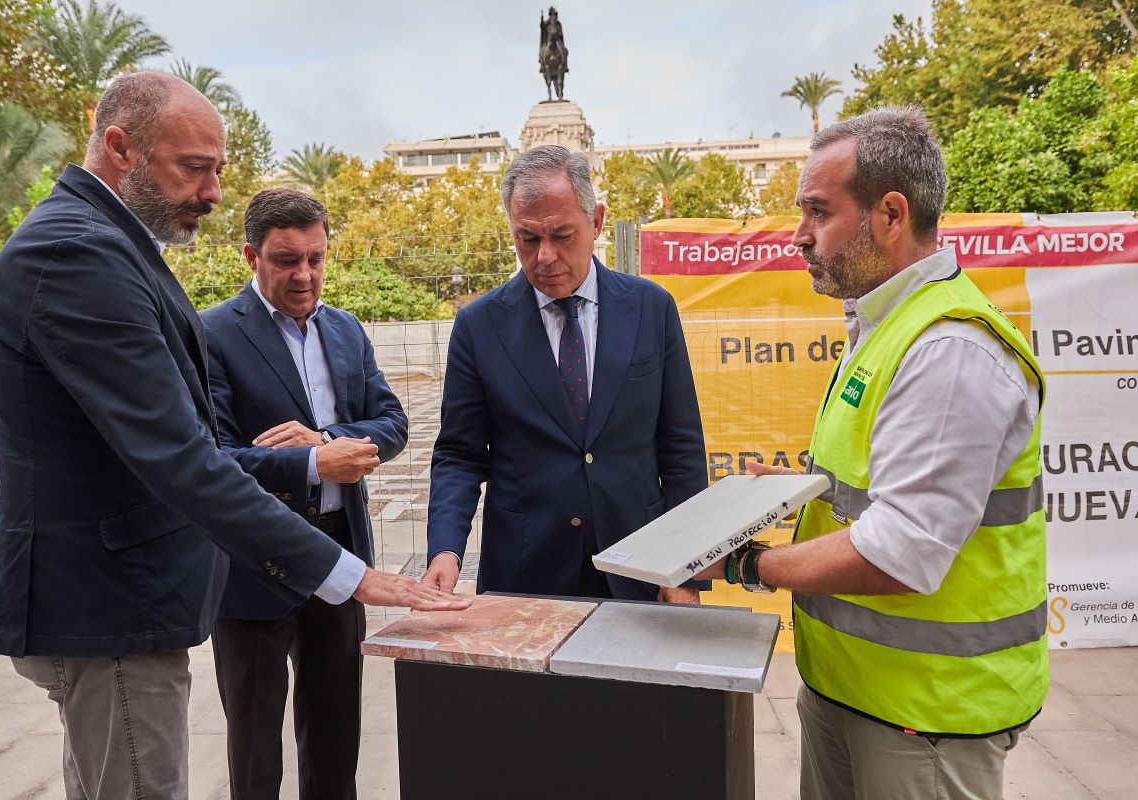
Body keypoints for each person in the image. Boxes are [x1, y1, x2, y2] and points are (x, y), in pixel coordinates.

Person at [0, 72, 467, 800]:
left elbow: (381, 420)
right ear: (119, 147)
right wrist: (353, 574)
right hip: (108, 609)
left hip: (118, 604)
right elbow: (184, 458)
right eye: (193, 169)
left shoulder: (104, 243)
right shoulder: (79, 255)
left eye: (217, 171)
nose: (210, 192)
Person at [701, 107, 1047, 800]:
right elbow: (877, 487)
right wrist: (796, 489)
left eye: (819, 212)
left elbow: (903, 547)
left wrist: (746, 564)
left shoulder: (947, 349)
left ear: (891, 214)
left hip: (928, 717)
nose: (799, 236)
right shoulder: (885, 325)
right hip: (855, 694)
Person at [423, 144, 707, 603]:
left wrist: (687, 570)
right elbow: (460, 454)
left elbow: (681, 449)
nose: (545, 257)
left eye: (562, 235)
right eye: (528, 239)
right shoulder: (479, 326)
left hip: (642, 566)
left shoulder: (651, 309)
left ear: (595, 221)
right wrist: (445, 550)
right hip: (524, 571)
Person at [200, 188, 405, 800]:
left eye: (315, 258)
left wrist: (327, 438)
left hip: (341, 560)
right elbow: (210, 460)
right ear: (250, 256)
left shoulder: (345, 330)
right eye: (287, 260)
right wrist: (312, 463)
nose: (305, 275)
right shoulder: (209, 334)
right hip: (252, 567)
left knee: (337, 739)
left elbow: (392, 423)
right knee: (255, 752)